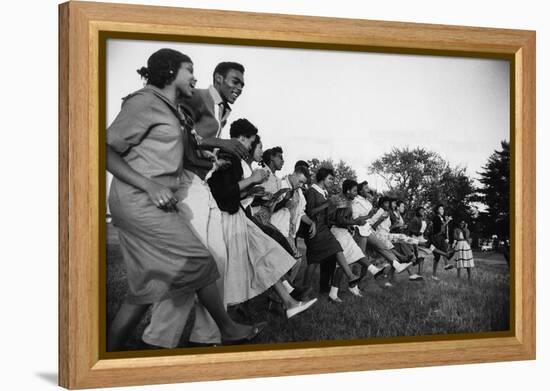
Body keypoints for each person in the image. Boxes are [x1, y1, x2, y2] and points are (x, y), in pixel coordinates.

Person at [106, 49, 264, 351]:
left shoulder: (174, 108)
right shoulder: (156, 101)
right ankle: (214, 330)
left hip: (178, 187)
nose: (195, 76)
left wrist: (210, 161)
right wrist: (149, 185)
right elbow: (106, 147)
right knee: (199, 262)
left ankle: (114, 355)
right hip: (150, 197)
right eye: (188, 70)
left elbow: (186, 145)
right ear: (169, 72)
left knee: (147, 289)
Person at [143, 61, 250, 348]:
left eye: (242, 83)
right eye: (235, 81)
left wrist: (215, 158)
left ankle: (207, 336)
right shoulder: (197, 96)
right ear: (218, 78)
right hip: (185, 184)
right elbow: (181, 132)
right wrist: (221, 143)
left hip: (202, 185)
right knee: (192, 263)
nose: (239, 87)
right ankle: (157, 339)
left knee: (219, 260)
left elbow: (199, 143)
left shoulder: (222, 108)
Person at [208, 118, 318, 317]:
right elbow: (222, 192)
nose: (252, 147)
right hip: (229, 220)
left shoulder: (234, 160)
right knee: (239, 268)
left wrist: (252, 190)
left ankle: (288, 301)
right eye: (252, 142)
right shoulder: (229, 158)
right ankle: (225, 320)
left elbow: (230, 193)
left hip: (238, 218)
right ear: (242, 138)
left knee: (264, 257)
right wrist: (252, 182)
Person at [302, 167, 362, 293]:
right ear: (322, 178)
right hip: (315, 229)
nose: (332, 181)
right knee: (333, 250)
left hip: (324, 228)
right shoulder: (312, 191)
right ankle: (350, 276)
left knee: (316, 261)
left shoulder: (324, 192)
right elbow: (309, 211)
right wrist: (328, 203)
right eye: (330, 178)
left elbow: (327, 213)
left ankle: (307, 290)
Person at [327, 180, 385, 303]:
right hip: (337, 232)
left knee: (355, 254)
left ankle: (373, 270)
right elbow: (339, 221)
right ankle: (373, 270)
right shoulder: (341, 201)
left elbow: (344, 220)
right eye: (354, 191)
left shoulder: (347, 200)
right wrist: (354, 222)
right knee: (346, 261)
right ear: (348, 191)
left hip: (344, 231)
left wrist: (353, 223)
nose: (355, 193)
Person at [350, 182, 412, 288]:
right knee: (361, 258)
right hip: (360, 231)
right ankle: (353, 284)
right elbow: (356, 219)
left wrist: (372, 218)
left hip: (368, 231)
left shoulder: (368, 203)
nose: (368, 190)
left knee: (380, 248)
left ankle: (397, 265)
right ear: (360, 191)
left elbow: (371, 219)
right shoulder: (355, 202)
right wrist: (371, 217)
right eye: (366, 188)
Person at [369, 196, 415, 287]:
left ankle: (399, 263)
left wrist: (396, 225)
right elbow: (372, 226)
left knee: (391, 253)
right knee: (390, 252)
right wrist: (380, 219)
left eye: (388, 203)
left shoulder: (386, 213)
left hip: (387, 235)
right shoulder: (380, 212)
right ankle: (402, 259)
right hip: (380, 235)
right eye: (386, 203)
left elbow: (388, 227)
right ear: (381, 204)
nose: (388, 205)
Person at [430, 204, 455, 280]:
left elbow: (444, 230)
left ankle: (446, 264)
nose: (442, 210)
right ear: (437, 210)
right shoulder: (436, 218)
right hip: (436, 237)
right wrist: (447, 221)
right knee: (437, 256)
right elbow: (439, 229)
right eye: (441, 209)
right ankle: (434, 274)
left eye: (443, 209)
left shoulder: (442, 218)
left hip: (441, 237)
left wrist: (445, 238)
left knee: (444, 250)